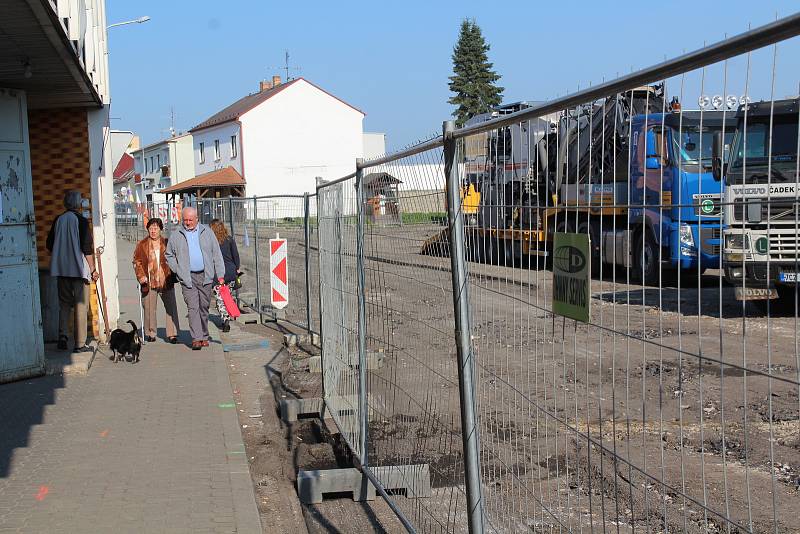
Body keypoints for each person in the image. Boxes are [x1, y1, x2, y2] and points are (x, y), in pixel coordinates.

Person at [46, 190, 100, 353]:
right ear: (77, 204)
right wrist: (93, 269)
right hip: (78, 270)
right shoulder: (81, 221)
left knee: (64, 305)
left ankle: (63, 336)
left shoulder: (58, 220)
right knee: (80, 306)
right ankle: (80, 343)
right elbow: (87, 248)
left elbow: (49, 245)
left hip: (61, 270)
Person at [165, 207, 225, 350]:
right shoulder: (176, 235)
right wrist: (178, 270)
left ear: (197, 219)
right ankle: (196, 338)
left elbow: (217, 254)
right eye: (185, 220)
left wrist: (220, 274)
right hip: (187, 277)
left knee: (203, 307)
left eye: (190, 220)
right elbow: (169, 255)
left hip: (205, 276)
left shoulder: (207, 232)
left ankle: (204, 334)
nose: (187, 222)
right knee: (193, 308)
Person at [132, 218, 180, 343]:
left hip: (166, 280)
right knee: (149, 308)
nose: (153, 231)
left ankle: (172, 333)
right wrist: (141, 276)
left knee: (171, 307)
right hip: (149, 281)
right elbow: (137, 262)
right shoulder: (142, 244)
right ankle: (151, 332)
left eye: (156, 228)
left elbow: (175, 259)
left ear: (160, 229)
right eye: (151, 228)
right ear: (147, 229)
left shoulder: (167, 243)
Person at [209, 219, 241, 333]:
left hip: (217, 274)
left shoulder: (211, 242)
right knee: (228, 296)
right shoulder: (229, 239)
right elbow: (235, 255)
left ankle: (225, 318)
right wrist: (237, 268)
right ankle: (228, 315)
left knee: (220, 298)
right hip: (230, 272)